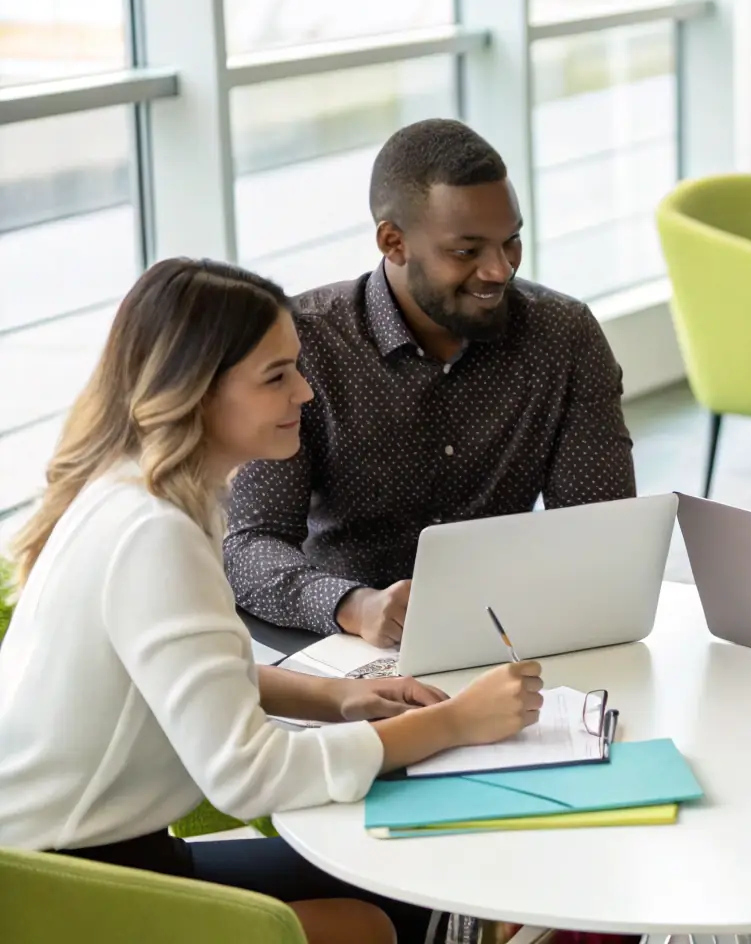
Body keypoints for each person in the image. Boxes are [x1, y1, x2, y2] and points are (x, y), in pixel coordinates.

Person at [0, 259, 545, 944]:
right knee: (370, 922)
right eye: (276, 376)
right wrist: (455, 724)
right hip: (67, 895)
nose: (306, 394)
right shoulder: (153, 534)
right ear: (195, 391)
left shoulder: (129, 490)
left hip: (70, 862)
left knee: (415, 890)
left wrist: (336, 699)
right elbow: (246, 777)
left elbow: (175, 680)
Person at [224, 118, 636, 646]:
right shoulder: (305, 344)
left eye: (511, 242)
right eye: (466, 252)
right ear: (393, 242)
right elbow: (250, 544)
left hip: (504, 636)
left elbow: (601, 532)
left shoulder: (563, 335)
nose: (498, 270)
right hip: (342, 643)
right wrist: (353, 605)